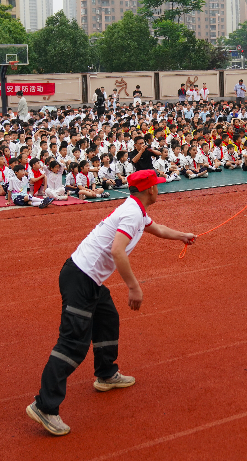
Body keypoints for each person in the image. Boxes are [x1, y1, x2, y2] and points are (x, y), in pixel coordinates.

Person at [26, 169, 197, 436]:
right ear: (149, 189)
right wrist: (134, 287)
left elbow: (158, 229)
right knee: (73, 344)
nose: (159, 189)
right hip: (80, 278)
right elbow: (118, 250)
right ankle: (44, 406)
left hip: (88, 278)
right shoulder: (131, 213)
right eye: (157, 186)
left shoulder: (137, 210)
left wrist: (182, 235)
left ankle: (106, 374)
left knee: (107, 319)